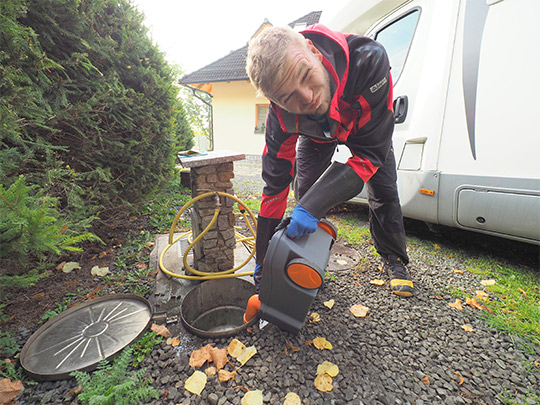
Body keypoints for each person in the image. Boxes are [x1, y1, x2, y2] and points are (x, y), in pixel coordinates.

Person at [246, 24, 414, 297]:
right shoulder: (281, 117)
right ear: (274, 102)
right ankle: (306, 260)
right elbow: (274, 188)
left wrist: (312, 206)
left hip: (365, 131)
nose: (308, 97)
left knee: (384, 189)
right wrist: (262, 258)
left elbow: (370, 155)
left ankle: (394, 258)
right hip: (316, 134)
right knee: (307, 191)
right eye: (289, 98)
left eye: (305, 75)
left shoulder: (369, 60)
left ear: (313, 52)